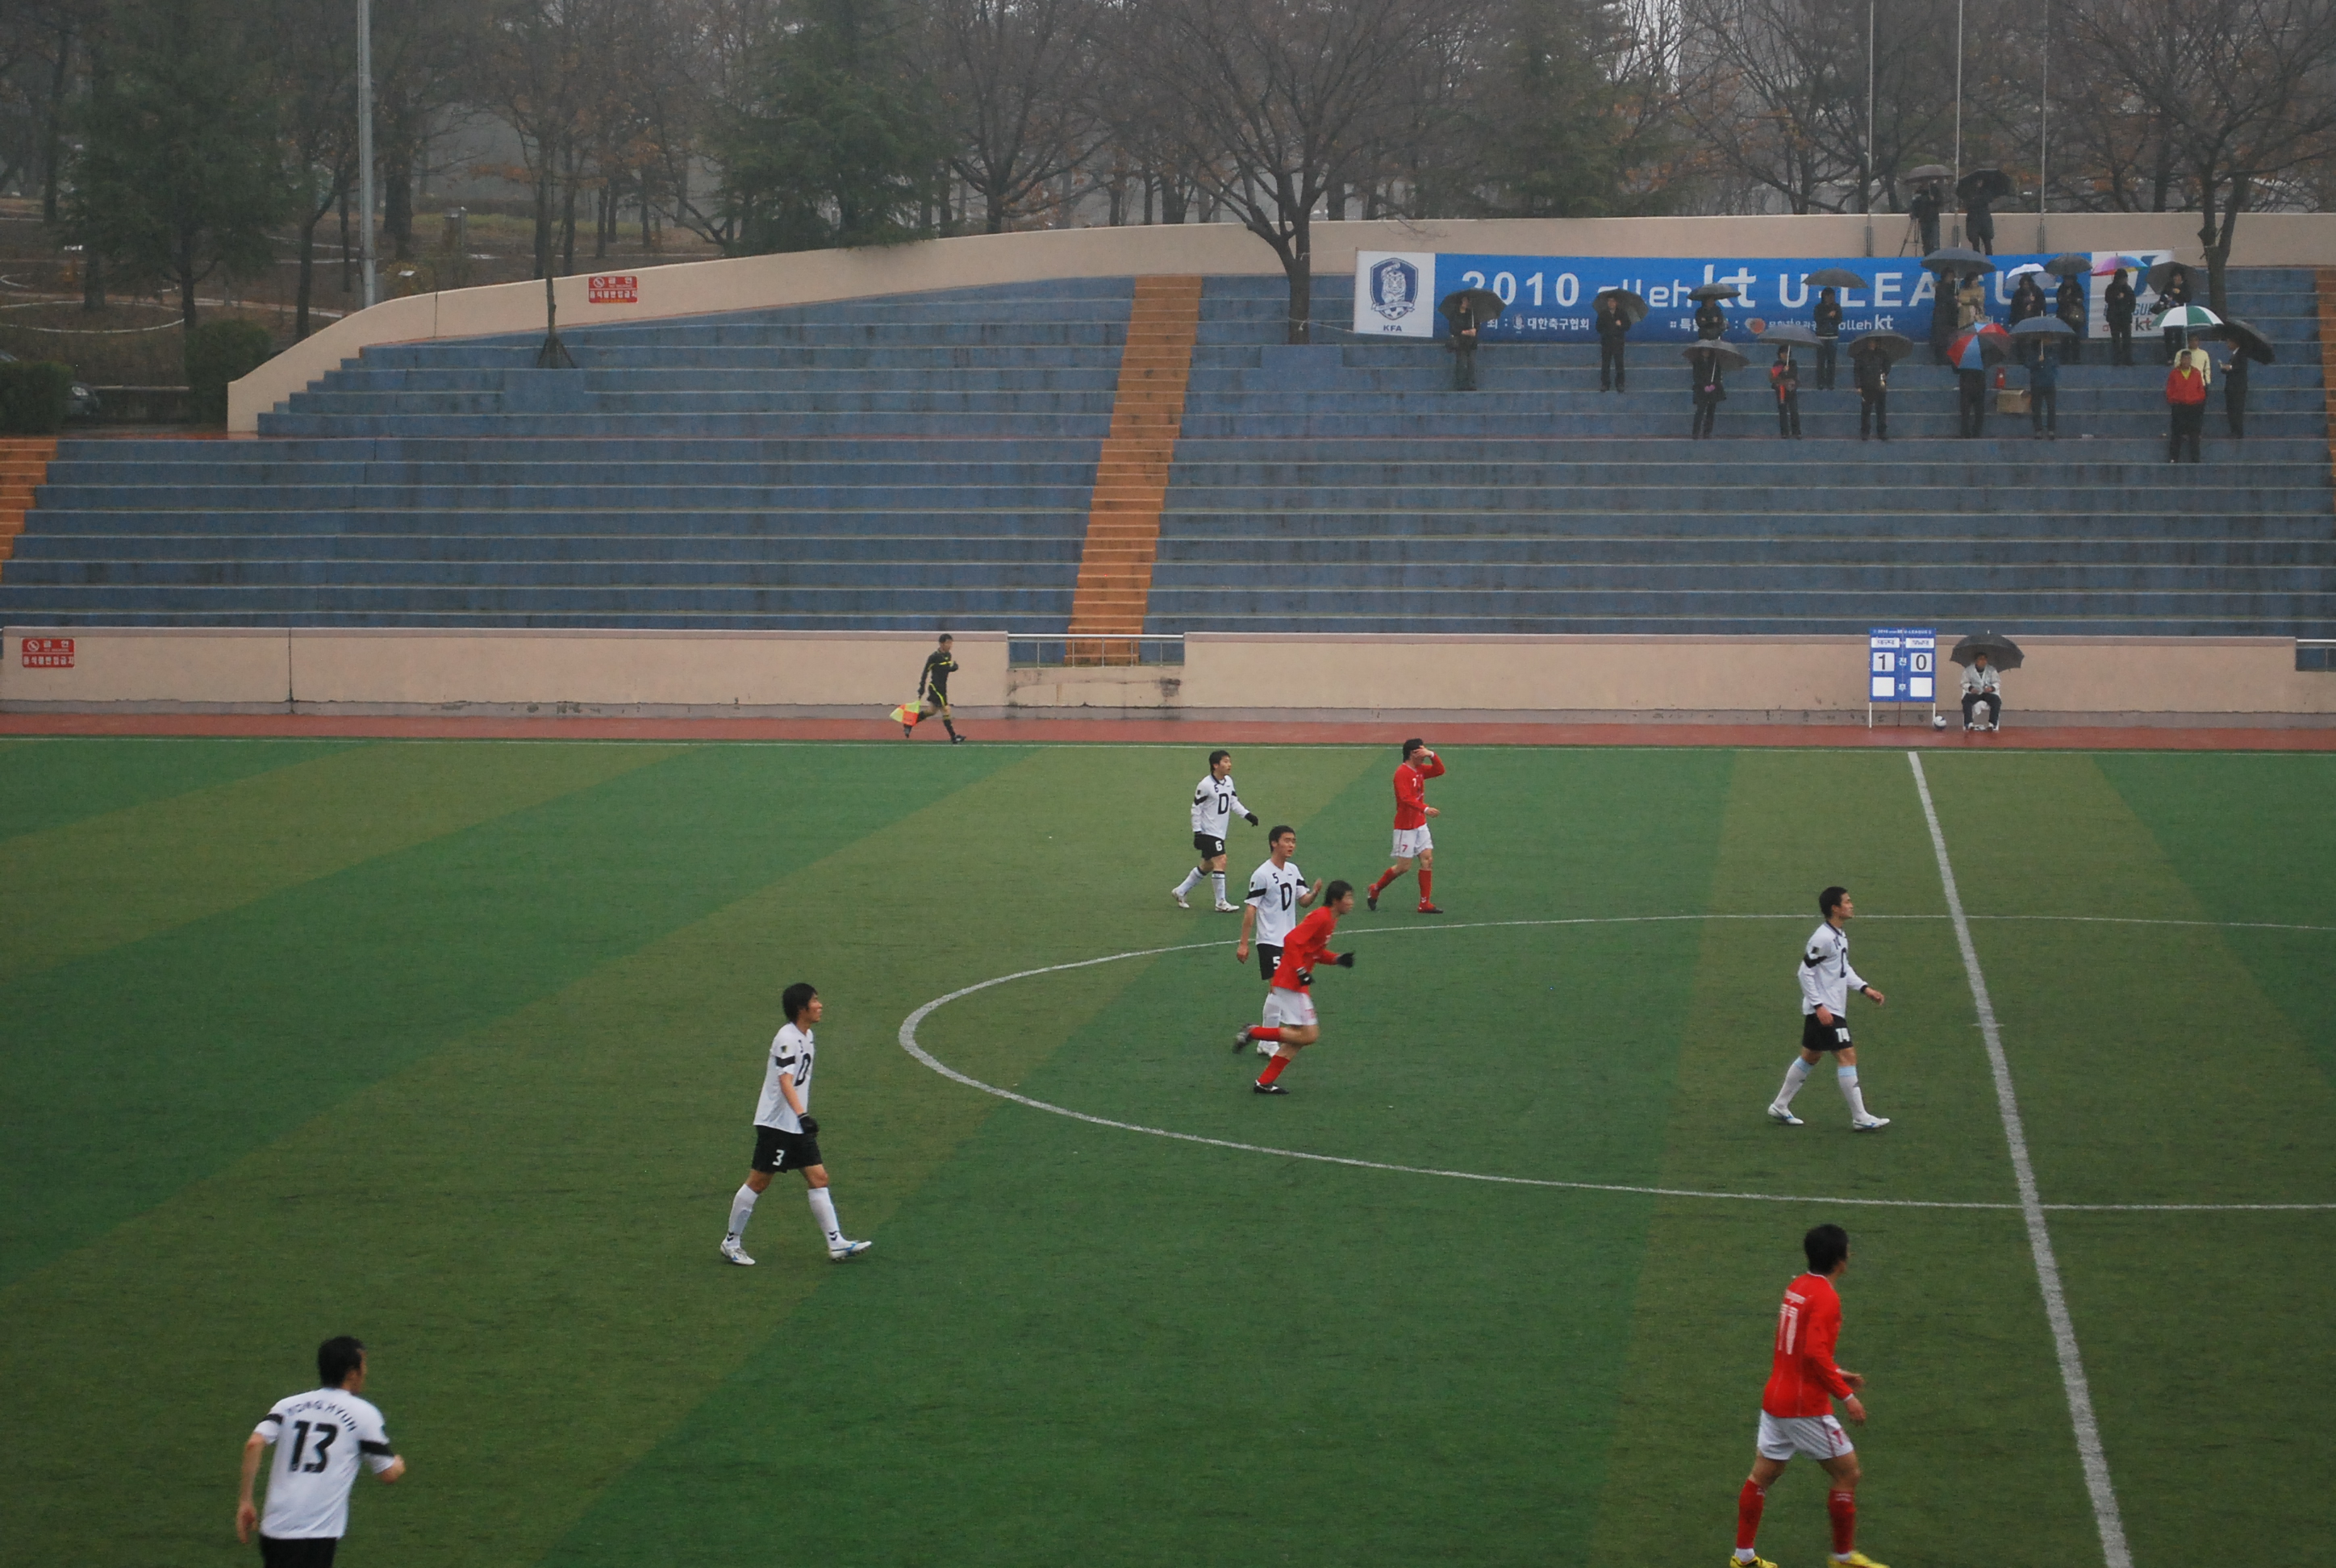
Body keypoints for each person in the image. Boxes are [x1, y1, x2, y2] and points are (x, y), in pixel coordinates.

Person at [1728, 1224, 1884, 1568]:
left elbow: (1799, 1349)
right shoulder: (1827, 1297)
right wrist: (1846, 1395)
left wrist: (1836, 1371)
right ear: (1840, 1260)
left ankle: (1743, 1558)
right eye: (1848, 1249)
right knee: (1848, 1473)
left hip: (1776, 1399)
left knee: (1763, 1476)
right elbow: (1814, 1353)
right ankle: (1843, 1558)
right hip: (1803, 1407)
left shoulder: (1797, 1287)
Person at [720, 983, 872, 1265]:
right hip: (777, 1124)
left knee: (819, 1178)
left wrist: (800, 1118)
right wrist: (802, 1114)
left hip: (795, 1124)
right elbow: (785, 1080)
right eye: (815, 1001)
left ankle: (836, 1242)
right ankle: (731, 1242)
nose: (820, 1005)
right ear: (801, 1009)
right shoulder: (787, 1039)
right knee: (759, 1182)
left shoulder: (807, 1036)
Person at [238, 1336, 406, 1567]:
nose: (366, 1371)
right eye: (364, 1365)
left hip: (274, 1529)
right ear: (351, 1373)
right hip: (314, 1533)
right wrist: (398, 1464)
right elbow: (388, 1473)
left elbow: (254, 1443)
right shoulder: (362, 1413)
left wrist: (246, 1501)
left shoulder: (287, 1405)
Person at [1767, 886, 1888, 1130]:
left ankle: (1780, 1105)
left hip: (1829, 1008)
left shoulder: (1839, 935)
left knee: (1811, 1056)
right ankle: (1860, 1117)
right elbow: (1804, 972)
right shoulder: (1822, 938)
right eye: (1847, 901)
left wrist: (1865, 988)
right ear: (1835, 908)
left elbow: (1842, 968)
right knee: (1847, 1056)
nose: (1851, 905)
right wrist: (1819, 1006)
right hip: (1826, 1010)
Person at [1235, 881, 1356, 1094]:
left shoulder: (1330, 920)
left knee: (1298, 1039)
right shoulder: (1321, 917)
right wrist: (1300, 970)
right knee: (1309, 1035)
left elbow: (1313, 952)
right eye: (1348, 897)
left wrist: (1337, 959)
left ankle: (1263, 1083)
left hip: (1294, 981)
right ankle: (1254, 1031)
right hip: (1291, 981)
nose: (1351, 902)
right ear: (1336, 900)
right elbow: (1290, 941)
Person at [1236, 825, 1319, 1049]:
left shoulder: (1293, 870)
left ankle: (1264, 1041)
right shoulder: (1262, 874)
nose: (1291, 845)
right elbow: (1251, 909)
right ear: (1274, 843)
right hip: (1270, 941)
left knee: (1278, 991)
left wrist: (1314, 894)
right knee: (1278, 990)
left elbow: (1303, 901)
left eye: (1293, 841)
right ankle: (1267, 1042)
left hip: (1290, 943)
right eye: (1287, 840)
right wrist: (1244, 944)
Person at [1366, 738, 1446, 914]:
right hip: (1405, 827)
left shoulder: (1419, 769)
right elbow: (1405, 798)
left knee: (1427, 859)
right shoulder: (1402, 773)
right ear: (1413, 753)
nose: (1424, 755)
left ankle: (1424, 903)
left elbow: (1440, 770)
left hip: (1420, 824)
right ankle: (1376, 888)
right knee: (1403, 867)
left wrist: (1432, 755)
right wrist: (1425, 808)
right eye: (1422, 752)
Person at [1172, 749, 1258, 911]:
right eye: (1225, 761)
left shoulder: (1228, 781)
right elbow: (1196, 809)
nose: (1229, 764)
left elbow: (1233, 802)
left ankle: (1180, 891)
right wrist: (1197, 832)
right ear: (1215, 765)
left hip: (1219, 831)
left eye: (1229, 761)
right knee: (1221, 860)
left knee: (1207, 865)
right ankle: (1221, 903)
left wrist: (1248, 815)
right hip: (1208, 832)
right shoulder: (1205, 785)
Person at [902, 633, 964, 742]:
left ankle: (909, 723)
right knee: (946, 710)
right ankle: (953, 737)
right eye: (948, 643)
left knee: (931, 711)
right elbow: (925, 672)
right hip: (935, 687)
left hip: (943, 687)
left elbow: (944, 669)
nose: (950, 645)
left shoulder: (948, 655)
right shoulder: (934, 657)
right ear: (941, 644)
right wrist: (922, 687)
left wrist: (953, 668)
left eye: (951, 643)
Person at [2166, 347, 2208, 463]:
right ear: (2181, 360)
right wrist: (2173, 399)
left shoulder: (2196, 373)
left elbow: (2200, 389)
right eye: (2185, 359)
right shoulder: (2174, 373)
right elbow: (2170, 389)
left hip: (2193, 406)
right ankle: (2174, 457)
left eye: (2189, 359)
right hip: (2179, 406)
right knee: (2176, 433)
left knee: (2194, 434)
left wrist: (2198, 399)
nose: (2187, 361)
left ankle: (2195, 458)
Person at [2007, 274, 2046, 366]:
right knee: (2021, 340)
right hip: (2021, 319)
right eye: (2024, 284)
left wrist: (2033, 306)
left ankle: (2035, 358)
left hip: (2035, 319)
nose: (2026, 286)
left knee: (2036, 340)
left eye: (2027, 284)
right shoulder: (2018, 293)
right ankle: (2021, 359)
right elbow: (2014, 306)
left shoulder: (2037, 291)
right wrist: (2025, 303)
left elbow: (2042, 305)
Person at [1447, 294, 1483, 391]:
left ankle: (1471, 383)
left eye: (1467, 301)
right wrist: (1464, 332)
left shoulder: (1471, 314)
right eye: (1464, 301)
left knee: (1471, 363)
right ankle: (1460, 383)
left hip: (1471, 343)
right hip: (1460, 342)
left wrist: (1474, 330)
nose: (1466, 303)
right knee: (1461, 363)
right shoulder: (1455, 314)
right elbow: (1453, 328)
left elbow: (1477, 326)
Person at [2158, 263, 2192, 364]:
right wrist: (2167, 298)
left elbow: (2188, 298)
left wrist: (2180, 294)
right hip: (2169, 311)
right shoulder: (2169, 285)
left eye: (2178, 276)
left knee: (2178, 335)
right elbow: (2162, 296)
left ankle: (2179, 357)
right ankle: (2169, 357)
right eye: (2174, 276)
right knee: (2168, 335)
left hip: (2179, 313)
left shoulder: (2185, 286)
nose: (2176, 278)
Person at [1853, 346, 1888, 442]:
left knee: (1881, 410)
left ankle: (1882, 431)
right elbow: (1857, 370)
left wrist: (1885, 373)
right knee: (1866, 410)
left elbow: (1887, 366)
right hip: (1866, 386)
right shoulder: (1861, 355)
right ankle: (1865, 432)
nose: (1872, 344)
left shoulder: (1882, 353)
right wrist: (1858, 385)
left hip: (1880, 386)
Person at [1596, 294, 1631, 392]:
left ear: (1616, 303)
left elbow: (1627, 326)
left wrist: (1621, 325)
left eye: (1613, 301)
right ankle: (1605, 383)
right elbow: (1598, 328)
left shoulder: (1622, 313)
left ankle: (1620, 383)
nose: (1610, 303)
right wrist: (1607, 329)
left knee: (1619, 363)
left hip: (1618, 342)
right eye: (1609, 301)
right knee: (1605, 363)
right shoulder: (1603, 314)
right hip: (1607, 342)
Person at [1961, 651, 2003, 730]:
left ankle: (1992, 724)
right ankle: (1968, 723)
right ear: (1976, 661)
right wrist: (1971, 688)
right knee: (1966, 700)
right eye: (1981, 659)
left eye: (1985, 659)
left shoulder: (1992, 670)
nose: (1983, 661)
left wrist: (1992, 688)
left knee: (1996, 701)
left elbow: (1997, 682)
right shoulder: (1968, 670)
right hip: (1975, 693)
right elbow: (1964, 683)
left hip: (1987, 693)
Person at [2104, 268, 2138, 365]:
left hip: (2125, 317)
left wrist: (2129, 309)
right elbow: (2107, 299)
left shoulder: (2128, 289)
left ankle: (2128, 359)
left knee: (2127, 339)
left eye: (2126, 279)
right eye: (2123, 279)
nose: (2124, 281)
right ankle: (2117, 359)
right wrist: (2116, 297)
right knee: (2116, 339)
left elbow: (2132, 301)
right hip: (2114, 317)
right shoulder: (2111, 288)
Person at [2028, 340, 2059, 440]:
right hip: (2037, 384)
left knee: (2051, 408)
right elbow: (2028, 364)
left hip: (2050, 384)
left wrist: (2052, 375)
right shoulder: (2033, 352)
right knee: (2036, 408)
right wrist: (2038, 361)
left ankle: (2051, 430)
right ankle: (2038, 430)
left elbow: (2056, 364)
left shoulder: (2052, 352)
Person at [1691, 348, 1725, 439]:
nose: (1706, 353)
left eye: (1708, 351)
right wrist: (1704, 386)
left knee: (1711, 412)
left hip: (1713, 391)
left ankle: (1707, 432)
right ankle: (1695, 432)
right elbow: (1696, 377)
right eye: (1704, 351)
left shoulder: (1715, 363)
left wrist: (1714, 385)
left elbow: (1718, 376)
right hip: (1701, 391)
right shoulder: (1697, 362)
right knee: (1700, 411)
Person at [1812, 288, 1843, 389]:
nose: (1831, 298)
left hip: (1833, 336)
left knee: (1831, 361)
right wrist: (1828, 316)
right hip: (1821, 336)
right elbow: (1818, 320)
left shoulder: (1837, 307)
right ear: (1824, 297)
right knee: (1821, 361)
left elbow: (1839, 320)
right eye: (1828, 296)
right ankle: (1820, 382)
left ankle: (1830, 383)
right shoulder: (1819, 307)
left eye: (1832, 296)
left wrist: (1834, 316)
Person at [1769, 346, 1801, 439]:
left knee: (1794, 411)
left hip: (1791, 391)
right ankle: (1784, 432)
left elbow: (1793, 374)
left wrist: (1787, 372)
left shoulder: (1793, 363)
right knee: (1783, 412)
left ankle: (1796, 432)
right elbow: (1775, 376)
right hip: (1781, 391)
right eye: (1783, 353)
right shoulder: (1777, 364)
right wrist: (1784, 371)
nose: (1784, 355)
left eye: (1786, 353)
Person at [2054, 273, 2086, 362]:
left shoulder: (2078, 287)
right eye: (2066, 280)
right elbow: (2059, 300)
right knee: (2065, 338)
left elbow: (2080, 300)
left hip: (2075, 316)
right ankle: (2064, 358)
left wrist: (2071, 298)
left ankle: (2076, 358)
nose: (2067, 281)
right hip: (2064, 315)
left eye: (2069, 280)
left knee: (2075, 337)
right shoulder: (2062, 288)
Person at [1908, 180, 1942, 257]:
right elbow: (1915, 204)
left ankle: (1936, 258)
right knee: (1926, 243)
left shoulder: (1934, 190)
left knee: (1935, 242)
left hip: (1933, 219)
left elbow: (1940, 202)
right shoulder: (1919, 191)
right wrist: (1913, 212)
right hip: (1923, 219)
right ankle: (1927, 257)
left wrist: (1933, 200)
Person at [2222, 344, 2250, 439]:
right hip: (2231, 387)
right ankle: (2234, 431)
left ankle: (2238, 432)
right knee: (2231, 410)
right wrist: (2225, 368)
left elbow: (2240, 368)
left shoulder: (2242, 354)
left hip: (2238, 388)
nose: (2228, 344)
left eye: (2229, 342)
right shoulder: (2234, 355)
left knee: (2237, 410)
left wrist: (2230, 368)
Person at [1957, 361, 1987, 439]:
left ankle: (1965, 431)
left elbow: (1956, 370)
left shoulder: (1963, 358)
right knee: (1979, 410)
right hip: (1979, 384)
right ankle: (1977, 432)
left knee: (1965, 411)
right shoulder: (1982, 357)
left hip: (1966, 384)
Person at [1963, 187, 1996, 256]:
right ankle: (1980, 259)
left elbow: (1989, 200)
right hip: (1976, 219)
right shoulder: (1969, 193)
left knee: (1986, 243)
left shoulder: (1985, 191)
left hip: (1981, 219)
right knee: (1977, 243)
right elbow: (1967, 205)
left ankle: (1986, 259)